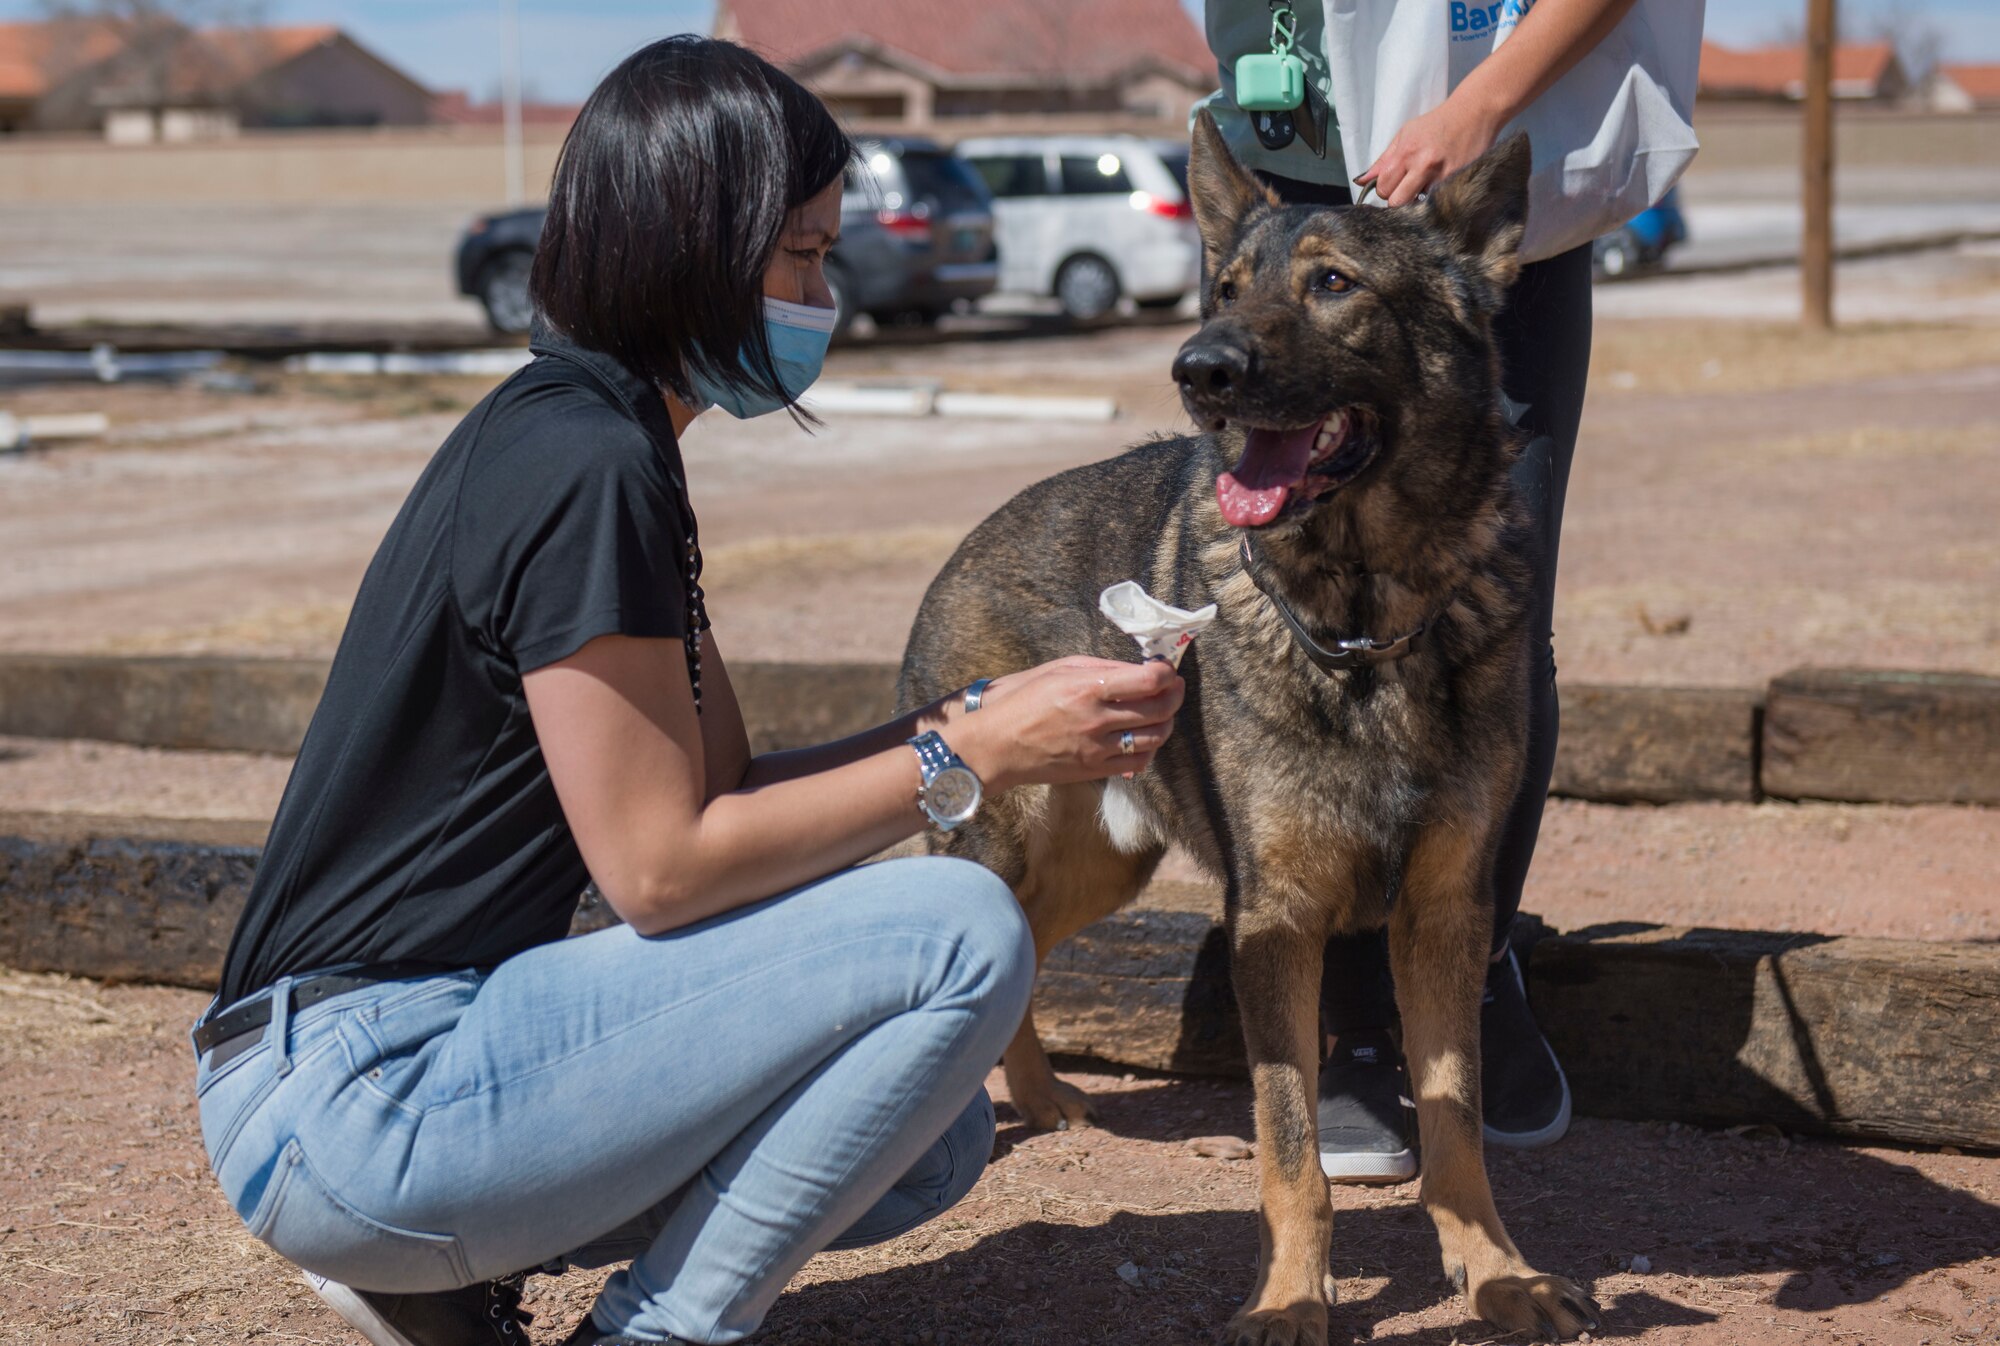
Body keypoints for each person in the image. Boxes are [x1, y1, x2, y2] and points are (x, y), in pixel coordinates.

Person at [189, 36, 1185, 1346]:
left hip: (396, 1068)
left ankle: (436, 1274)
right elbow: (661, 868)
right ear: (694, 246)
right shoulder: (584, 465)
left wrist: (989, 713)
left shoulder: (602, 446)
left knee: (930, 1135)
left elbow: (727, 799)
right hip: (361, 1092)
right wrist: (978, 754)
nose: (825, 295)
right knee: (963, 932)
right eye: (803, 256)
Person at [1201, 0, 1638, 1182]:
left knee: (1492, 608)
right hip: (1291, 139)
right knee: (1291, 614)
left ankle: (1469, 955)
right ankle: (1347, 1011)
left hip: (1474, 159)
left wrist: (1481, 101)